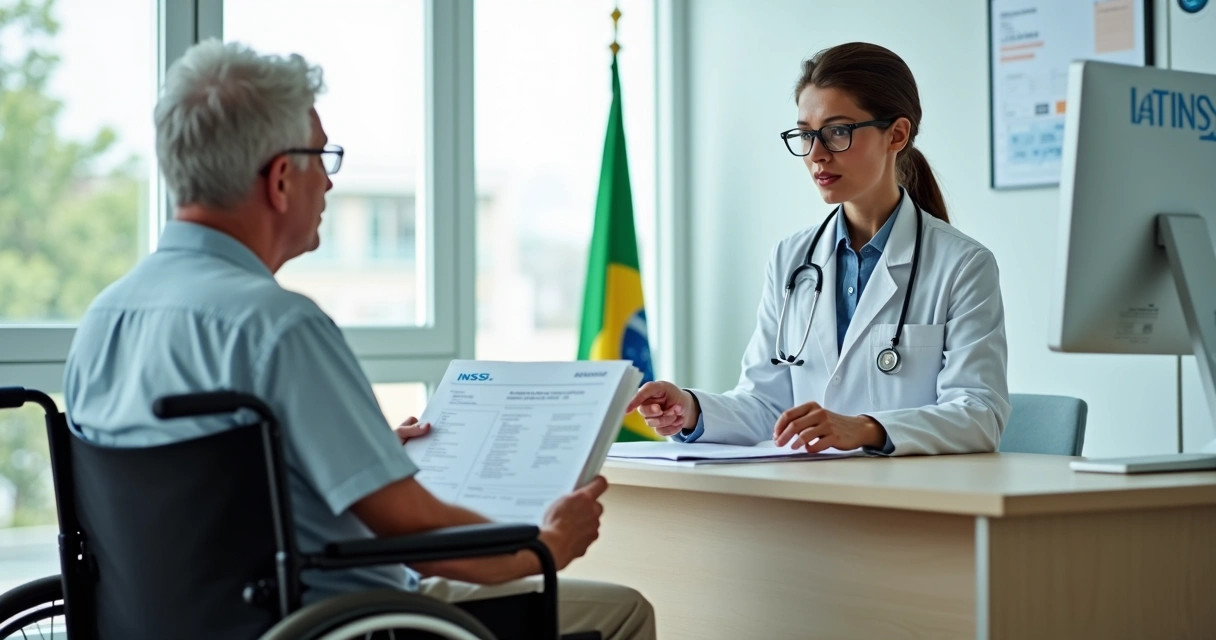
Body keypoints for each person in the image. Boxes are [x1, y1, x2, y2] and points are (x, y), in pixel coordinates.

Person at [63, 39, 654, 639]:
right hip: (354, 624)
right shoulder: (278, 327)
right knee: (624, 610)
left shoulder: (102, 322)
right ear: (280, 179)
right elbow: (417, 538)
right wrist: (547, 546)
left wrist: (355, 456)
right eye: (322, 158)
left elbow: (209, 500)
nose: (329, 182)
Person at [627, 42, 1010, 455]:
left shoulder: (963, 265)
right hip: (811, 497)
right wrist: (691, 408)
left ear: (896, 134)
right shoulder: (791, 259)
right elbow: (765, 406)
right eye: (807, 135)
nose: (816, 154)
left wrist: (865, 428)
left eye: (837, 132)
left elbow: (979, 414)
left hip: (910, 502)